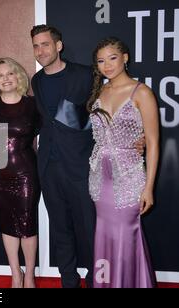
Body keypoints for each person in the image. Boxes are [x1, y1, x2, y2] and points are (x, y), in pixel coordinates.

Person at [87, 37, 158, 288]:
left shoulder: (142, 93)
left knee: (127, 235)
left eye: (112, 58)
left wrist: (148, 187)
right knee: (104, 235)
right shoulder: (99, 91)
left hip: (129, 177)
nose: (107, 65)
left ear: (125, 58)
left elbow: (153, 142)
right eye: (101, 61)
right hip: (99, 179)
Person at [30, 25, 96, 287]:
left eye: (45, 44)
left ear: (59, 46)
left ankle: (95, 278)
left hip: (81, 165)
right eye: (36, 45)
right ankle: (68, 279)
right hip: (48, 165)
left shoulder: (85, 74)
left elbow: (103, 112)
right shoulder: (36, 80)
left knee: (90, 228)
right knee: (60, 228)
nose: (40, 50)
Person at [0, 57, 41, 288]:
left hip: (26, 173)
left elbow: (41, 138)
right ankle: (15, 274)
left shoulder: (32, 104)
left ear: (18, 75)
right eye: (0, 75)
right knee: (7, 225)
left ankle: (29, 274)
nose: (6, 79)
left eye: (10, 73)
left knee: (28, 226)